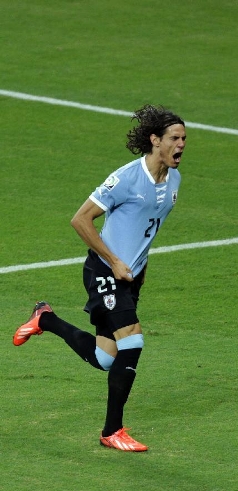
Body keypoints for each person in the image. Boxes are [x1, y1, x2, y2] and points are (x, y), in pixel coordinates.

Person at [13, 104, 186, 452]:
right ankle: (112, 431)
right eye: (174, 138)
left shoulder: (174, 181)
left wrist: (139, 271)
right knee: (133, 341)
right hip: (104, 271)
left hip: (130, 277)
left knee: (105, 358)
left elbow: (145, 233)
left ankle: (45, 319)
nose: (181, 144)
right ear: (155, 140)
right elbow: (80, 220)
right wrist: (115, 261)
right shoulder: (126, 178)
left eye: (184, 139)